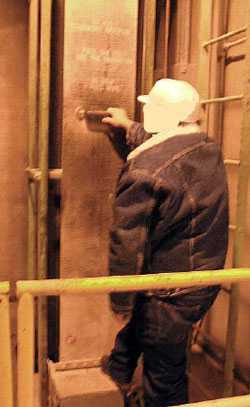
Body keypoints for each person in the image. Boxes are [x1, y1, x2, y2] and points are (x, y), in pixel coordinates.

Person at [101, 79, 229, 407]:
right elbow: (165, 146)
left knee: (165, 378)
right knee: (144, 327)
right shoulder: (205, 145)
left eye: (151, 109)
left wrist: (120, 303)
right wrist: (126, 126)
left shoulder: (143, 172)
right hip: (201, 277)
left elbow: (126, 243)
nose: (146, 114)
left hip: (170, 291)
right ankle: (117, 371)